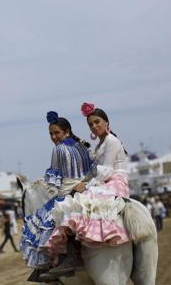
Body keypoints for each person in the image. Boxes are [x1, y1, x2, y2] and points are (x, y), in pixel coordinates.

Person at [43, 103, 131, 280]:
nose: (94, 126)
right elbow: (94, 170)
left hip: (114, 180)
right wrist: (84, 181)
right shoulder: (96, 145)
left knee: (71, 206)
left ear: (106, 122)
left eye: (97, 122)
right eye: (91, 124)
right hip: (104, 180)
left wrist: (87, 185)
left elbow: (106, 170)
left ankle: (68, 256)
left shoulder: (111, 141)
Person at [19, 111, 92, 281]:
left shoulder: (59, 149)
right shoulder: (82, 146)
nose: (53, 137)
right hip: (86, 189)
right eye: (51, 134)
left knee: (43, 223)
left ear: (66, 132)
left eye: (56, 133)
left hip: (67, 192)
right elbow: (92, 170)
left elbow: (54, 181)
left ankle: (52, 263)